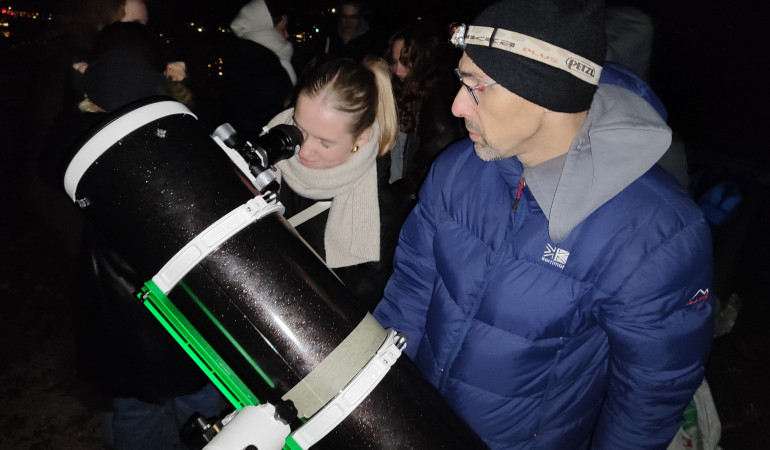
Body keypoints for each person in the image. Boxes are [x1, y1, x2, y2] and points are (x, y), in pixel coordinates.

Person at [373, 0, 714, 448]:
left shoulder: (655, 232)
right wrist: (377, 404)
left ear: (545, 90)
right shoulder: (458, 169)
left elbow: (646, 401)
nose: (456, 106)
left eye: (476, 86)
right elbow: (409, 294)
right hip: (413, 425)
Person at [40, 20, 223, 450]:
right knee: (197, 404)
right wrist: (179, 90)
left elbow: (50, 174)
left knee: (140, 407)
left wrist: (83, 88)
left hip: (116, 310)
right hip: (182, 299)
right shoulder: (173, 123)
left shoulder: (76, 128)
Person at [264, 57, 400, 311]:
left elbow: (353, 307)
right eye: (299, 129)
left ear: (361, 137)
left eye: (325, 143)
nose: (304, 151)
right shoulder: (264, 150)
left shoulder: (379, 215)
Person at [385, 24, 466, 204]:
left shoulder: (437, 94)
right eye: (395, 61)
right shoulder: (412, 92)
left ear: (423, 59)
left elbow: (436, 155)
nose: (398, 70)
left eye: (406, 61)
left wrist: (396, 193)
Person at [222, 0, 296, 144]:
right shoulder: (263, 63)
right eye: (283, 29)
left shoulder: (246, 55)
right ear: (266, 29)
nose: (287, 35)